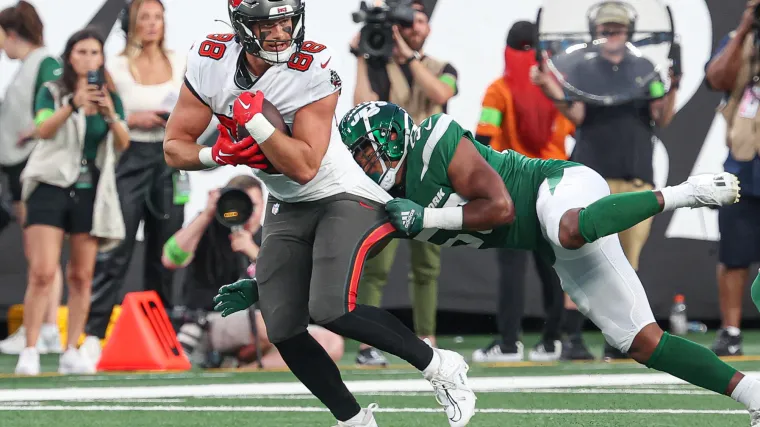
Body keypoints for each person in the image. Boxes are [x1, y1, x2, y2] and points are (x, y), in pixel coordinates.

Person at [337, 101, 760, 426]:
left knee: (567, 227)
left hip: (557, 185)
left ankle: (685, 193)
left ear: (393, 139)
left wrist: (425, 218)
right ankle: (752, 394)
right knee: (640, 342)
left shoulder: (434, 138)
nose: (366, 166)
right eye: (359, 159)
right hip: (548, 241)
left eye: (368, 154)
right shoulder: (381, 198)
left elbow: (501, 208)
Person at [162, 1, 475, 426]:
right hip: (287, 200)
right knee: (284, 326)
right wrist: (215, 152)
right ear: (241, 26)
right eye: (267, 23)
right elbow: (174, 146)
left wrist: (257, 127)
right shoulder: (210, 58)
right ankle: (354, 420)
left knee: (332, 308)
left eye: (286, 20)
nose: (280, 32)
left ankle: (440, 365)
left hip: (342, 192)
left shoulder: (313, 64)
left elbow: (305, 165)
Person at [532, 0, 681, 360]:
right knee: (580, 259)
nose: (611, 35)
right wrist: (552, 91)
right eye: (605, 30)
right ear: (595, 33)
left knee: (627, 263)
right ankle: (574, 340)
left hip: (635, 178)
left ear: (629, 33)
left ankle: (620, 342)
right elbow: (578, 112)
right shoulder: (581, 70)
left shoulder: (646, 68)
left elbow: (661, 116)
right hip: (590, 176)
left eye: (617, 29)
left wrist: (674, 83)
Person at [15, 28, 130, 376]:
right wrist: (71, 105)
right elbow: (42, 130)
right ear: (69, 57)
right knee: (43, 272)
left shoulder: (110, 95)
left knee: (82, 275)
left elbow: (124, 142)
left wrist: (108, 113)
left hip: (89, 188)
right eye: (81, 52)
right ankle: (31, 348)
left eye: (95, 53)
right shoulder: (51, 91)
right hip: (51, 184)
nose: (88, 59)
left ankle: (72, 347)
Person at [350, 0, 455, 365]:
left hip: (429, 177)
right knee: (376, 262)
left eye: (419, 19)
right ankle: (367, 343)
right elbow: (361, 106)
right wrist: (362, 56)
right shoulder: (381, 67)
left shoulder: (443, 67)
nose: (412, 25)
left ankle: (428, 337)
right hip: (387, 179)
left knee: (427, 266)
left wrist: (408, 57)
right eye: (406, 20)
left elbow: (442, 94)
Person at [84, 0, 187, 359]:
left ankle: (163, 337)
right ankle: (93, 335)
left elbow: (194, 109)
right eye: (144, 16)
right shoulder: (113, 64)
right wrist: (132, 118)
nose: (152, 24)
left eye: (157, 17)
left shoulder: (179, 61)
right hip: (129, 156)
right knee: (117, 246)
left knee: (166, 249)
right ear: (131, 22)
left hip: (169, 160)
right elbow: (100, 113)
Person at [472, 20, 579, 363]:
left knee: (512, 267)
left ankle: (508, 343)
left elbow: (484, 139)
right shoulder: (558, 90)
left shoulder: (498, 90)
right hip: (553, 185)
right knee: (551, 266)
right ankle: (552, 341)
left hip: (512, 187)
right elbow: (581, 128)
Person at [0, 0, 64, 356]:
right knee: (36, 255)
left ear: (11, 33)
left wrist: (33, 131)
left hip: (32, 167)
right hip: (15, 169)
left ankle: (46, 327)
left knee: (41, 255)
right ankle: (44, 326)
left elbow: (52, 107)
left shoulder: (45, 62)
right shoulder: (26, 67)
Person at [703, 0, 760, 357]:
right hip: (743, 161)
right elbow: (716, 78)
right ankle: (732, 330)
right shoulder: (739, 40)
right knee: (734, 254)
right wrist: (743, 29)